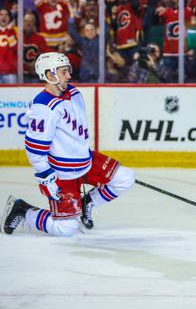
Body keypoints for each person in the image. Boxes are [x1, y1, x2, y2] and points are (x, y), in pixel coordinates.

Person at [2, 53, 136, 237]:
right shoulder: (44, 108)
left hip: (86, 161)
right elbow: (35, 150)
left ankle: (87, 202)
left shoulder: (74, 93)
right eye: (64, 72)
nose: (69, 76)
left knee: (126, 178)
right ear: (50, 75)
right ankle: (23, 211)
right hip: (62, 173)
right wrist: (47, 177)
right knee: (66, 229)